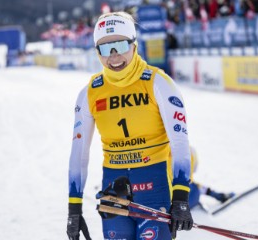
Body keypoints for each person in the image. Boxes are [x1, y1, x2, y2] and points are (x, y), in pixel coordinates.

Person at [67, 11, 193, 240]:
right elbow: (79, 154)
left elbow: (180, 143)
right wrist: (74, 208)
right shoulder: (89, 93)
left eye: (120, 45)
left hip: (155, 187)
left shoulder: (159, 83)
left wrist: (182, 197)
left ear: (134, 45)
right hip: (114, 192)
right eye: (105, 49)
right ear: (97, 52)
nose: (113, 56)